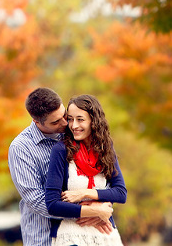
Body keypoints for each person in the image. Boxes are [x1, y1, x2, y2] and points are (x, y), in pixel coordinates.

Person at [9, 88, 113, 246]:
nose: (65, 123)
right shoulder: (21, 148)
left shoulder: (76, 132)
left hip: (87, 233)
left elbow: (105, 175)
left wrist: (103, 205)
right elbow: (37, 201)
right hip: (45, 237)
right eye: (55, 122)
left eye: (64, 115)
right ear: (37, 122)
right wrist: (89, 211)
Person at [45, 94, 127, 246]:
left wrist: (85, 194)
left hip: (106, 235)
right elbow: (52, 204)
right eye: (70, 119)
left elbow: (121, 193)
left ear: (94, 121)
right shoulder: (61, 150)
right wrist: (96, 211)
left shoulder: (106, 149)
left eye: (80, 119)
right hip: (72, 235)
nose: (74, 125)